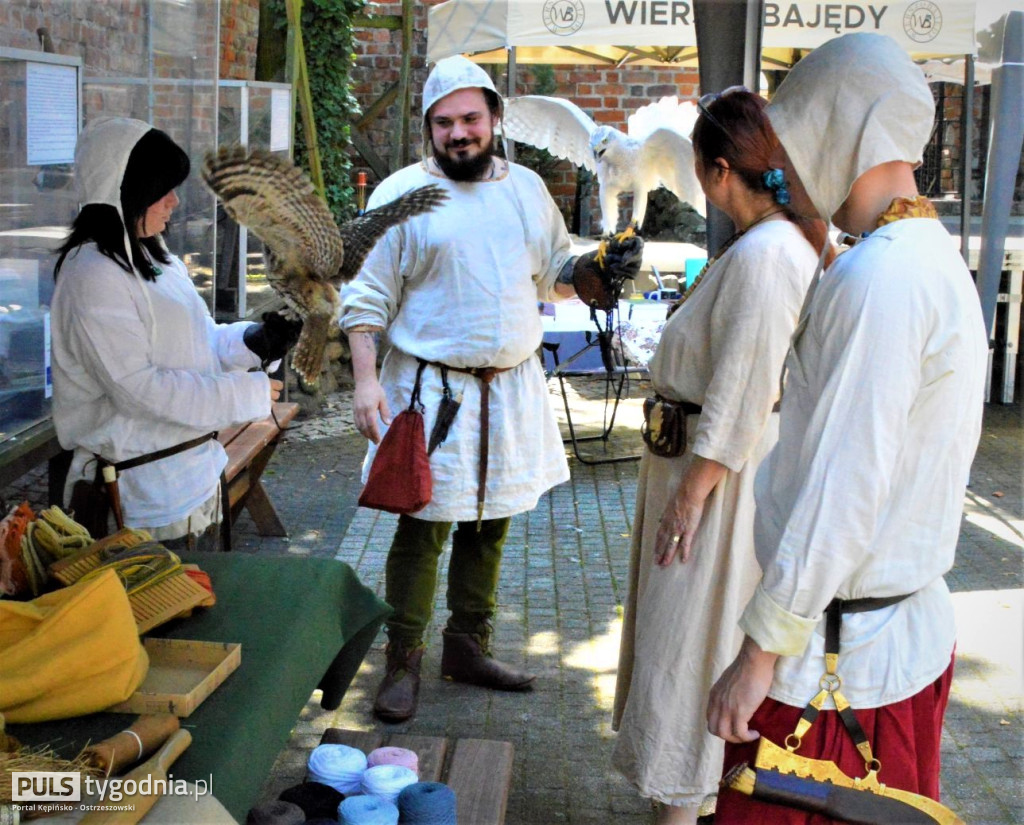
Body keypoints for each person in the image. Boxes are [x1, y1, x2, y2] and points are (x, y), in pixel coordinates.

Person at [707, 34, 989, 823]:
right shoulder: (923, 259)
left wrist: (758, 653)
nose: (788, 166)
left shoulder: (887, 277)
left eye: (797, 136)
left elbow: (846, 483)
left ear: (843, 127)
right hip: (881, 643)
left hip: (840, 671)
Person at [339, 55, 643, 723]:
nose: (459, 133)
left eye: (471, 118)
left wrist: (593, 268)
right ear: (429, 129)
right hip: (427, 394)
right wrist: (365, 380)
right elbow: (363, 296)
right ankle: (403, 658)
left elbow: (554, 275)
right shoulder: (400, 193)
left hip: (508, 391)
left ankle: (467, 646)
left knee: (490, 524)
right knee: (422, 526)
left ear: (496, 118)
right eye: (444, 122)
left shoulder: (528, 188)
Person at [611, 89, 829, 825]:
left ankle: (682, 801)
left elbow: (744, 386)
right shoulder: (766, 244)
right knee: (682, 638)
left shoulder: (769, 254)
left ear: (716, 171)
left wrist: (692, 492)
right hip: (703, 468)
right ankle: (681, 797)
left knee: (691, 640)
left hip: (718, 483)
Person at [51, 117, 294, 550]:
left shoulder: (153, 255)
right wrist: (245, 394)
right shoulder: (92, 273)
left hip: (194, 477)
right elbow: (139, 389)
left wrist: (252, 343)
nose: (175, 202)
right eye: (162, 190)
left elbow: (199, 341)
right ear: (124, 193)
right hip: (141, 499)